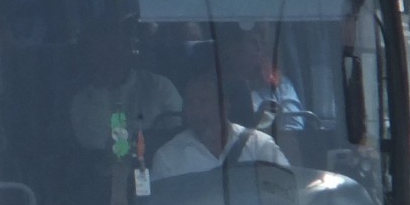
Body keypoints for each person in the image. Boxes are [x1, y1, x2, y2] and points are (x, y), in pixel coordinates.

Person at [69, 19, 183, 155]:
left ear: (129, 49)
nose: (110, 57)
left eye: (115, 47)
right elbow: (100, 145)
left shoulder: (158, 86)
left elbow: (178, 133)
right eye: (101, 50)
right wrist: (102, 91)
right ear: (90, 56)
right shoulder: (82, 102)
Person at [151, 70, 288, 181]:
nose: (196, 111)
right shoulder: (168, 158)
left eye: (203, 102)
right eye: (190, 104)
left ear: (224, 106)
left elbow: (289, 188)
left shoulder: (259, 145)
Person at [227, 21, 305, 130]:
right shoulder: (221, 87)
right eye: (253, 42)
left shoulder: (280, 84)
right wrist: (255, 121)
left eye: (262, 42)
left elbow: (295, 126)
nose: (260, 48)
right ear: (234, 49)